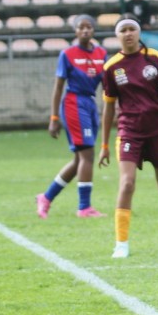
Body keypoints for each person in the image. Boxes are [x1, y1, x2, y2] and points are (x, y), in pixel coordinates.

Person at [98, 16, 158, 258]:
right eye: (123, 30)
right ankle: (121, 243)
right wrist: (104, 144)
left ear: (138, 33)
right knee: (126, 183)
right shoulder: (111, 67)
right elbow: (108, 108)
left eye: (132, 29)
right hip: (129, 132)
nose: (128, 34)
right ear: (117, 36)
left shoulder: (154, 58)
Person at [36, 14, 108, 219]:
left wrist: (112, 106)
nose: (85, 30)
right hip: (74, 103)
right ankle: (84, 207)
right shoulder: (67, 54)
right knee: (87, 155)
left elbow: (107, 85)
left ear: (94, 30)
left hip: (90, 104)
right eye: (81, 27)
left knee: (79, 160)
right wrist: (53, 118)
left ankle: (46, 197)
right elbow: (58, 87)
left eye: (89, 27)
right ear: (75, 31)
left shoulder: (102, 54)